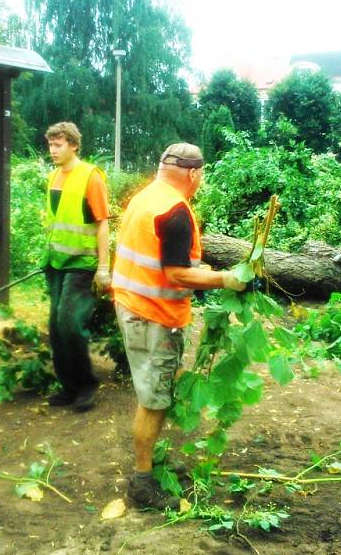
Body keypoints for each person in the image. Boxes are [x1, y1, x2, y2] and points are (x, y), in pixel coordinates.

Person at [111, 142, 247, 509]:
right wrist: (225, 279)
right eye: (201, 175)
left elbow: (159, 261)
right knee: (153, 400)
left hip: (132, 305)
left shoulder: (145, 198)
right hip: (153, 316)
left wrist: (204, 272)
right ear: (193, 174)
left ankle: (150, 464)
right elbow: (175, 273)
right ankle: (141, 483)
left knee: (153, 394)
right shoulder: (175, 212)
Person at [42, 122, 111, 412]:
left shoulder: (90, 176)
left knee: (70, 323)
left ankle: (86, 385)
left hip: (81, 263)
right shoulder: (53, 177)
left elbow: (102, 223)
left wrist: (103, 268)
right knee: (56, 327)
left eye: (58, 145)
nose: (52, 150)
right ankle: (68, 387)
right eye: (50, 145)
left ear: (73, 145)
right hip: (56, 262)